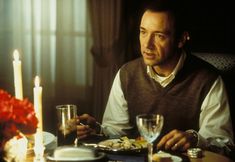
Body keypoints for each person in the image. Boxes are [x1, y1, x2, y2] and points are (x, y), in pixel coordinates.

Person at [77, 0, 234, 154]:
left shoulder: (208, 80)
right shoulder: (127, 74)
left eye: (159, 35)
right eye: (143, 32)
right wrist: (96, 129)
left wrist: (194, 138)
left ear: (181, 39)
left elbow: (224, 144)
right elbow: (117, 132)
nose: (147, 44)